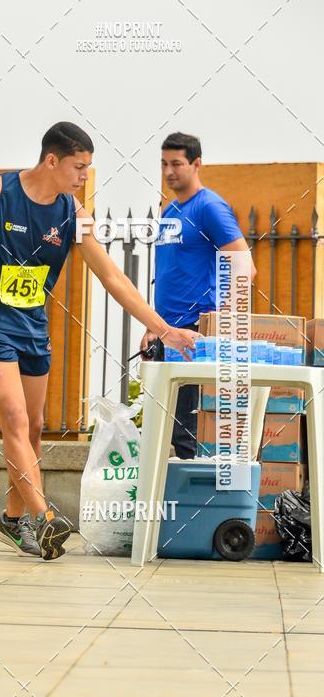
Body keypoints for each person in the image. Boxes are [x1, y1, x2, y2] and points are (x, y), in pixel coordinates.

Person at [0, 121, 199, 561]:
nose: (84, 176)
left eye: (88, 168)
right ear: (52, 160)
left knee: (35, 427)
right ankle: (44, 518)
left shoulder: (74, 215)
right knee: (14, 417)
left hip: (31, 329)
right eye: (79, 167)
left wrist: (165, 329)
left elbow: (113, 278)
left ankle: (11, 519)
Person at [140, 132, 256, 458]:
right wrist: (153, 325)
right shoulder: (169, 211)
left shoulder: (209, 208)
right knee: (165, 428)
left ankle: (199, 507)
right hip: (168, 331)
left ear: (197, 163)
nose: (169, 171)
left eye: (177, 163)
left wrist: (218, 325)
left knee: (188, 433)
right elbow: (168, 272)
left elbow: (244, 267)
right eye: (164, 164)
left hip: (194, 332)